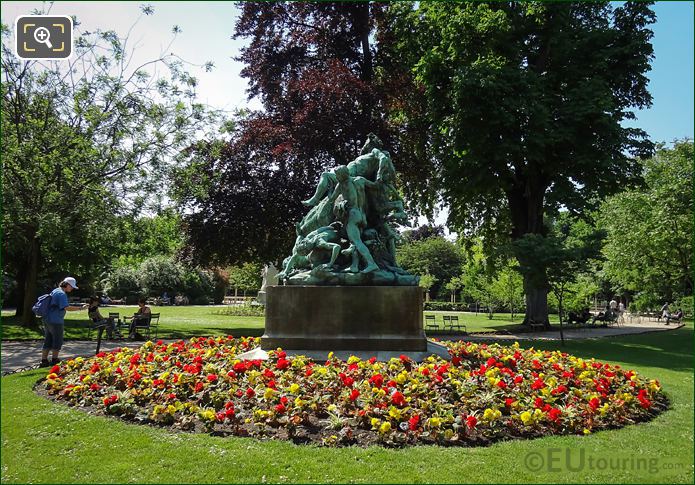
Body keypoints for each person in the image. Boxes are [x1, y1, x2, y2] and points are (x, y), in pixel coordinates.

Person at [40, 277, 86, 367]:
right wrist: (81, 308)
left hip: (47, 319)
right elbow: (66, 307)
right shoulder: (62, 294)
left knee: (48, 340)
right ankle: (54, 359)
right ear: (67, 285)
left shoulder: (55, 291)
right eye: (71, 286)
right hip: (56, 321)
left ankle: (44, 360)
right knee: (57, 340)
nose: (72, 288)